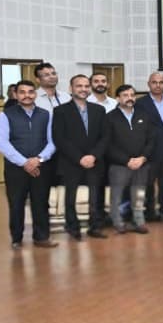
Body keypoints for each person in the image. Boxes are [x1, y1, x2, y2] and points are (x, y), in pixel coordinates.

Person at [0, 79, 57, 248]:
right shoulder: (5, 115)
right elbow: (1, 143)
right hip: (16, 168)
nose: (27, 95)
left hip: (41, 166)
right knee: (16, 203)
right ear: (16, 95)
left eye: (30, 92)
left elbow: (53, 141)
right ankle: (16, 239)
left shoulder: (46, 114)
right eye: (22, 92)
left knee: (41, 202)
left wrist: (39, 159)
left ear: (35, 94)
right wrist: (24, 162)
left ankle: (42, 237)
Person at [52, 74, 108, 240]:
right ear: (71, 88)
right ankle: (72, 227)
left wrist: (93, 156)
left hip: (94, 162)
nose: (83, 89)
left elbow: (105, 137)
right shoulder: (60, 111)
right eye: (79, 86)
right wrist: (79, 158)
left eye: (86, 86)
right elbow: (59, 138)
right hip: (71, 162)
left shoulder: (99, 110)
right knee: (71, 198)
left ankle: (95, 227)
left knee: (95, 197)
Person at [104, 84, 154, 235]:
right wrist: (126, 160)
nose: (129, 98)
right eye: (125, 95)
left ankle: (139, 220)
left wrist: (143, 158)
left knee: (139, 195)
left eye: (132, 95)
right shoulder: (109, 117)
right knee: (117, 196)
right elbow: (107, 144)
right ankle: (117, 221)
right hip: (119, 165)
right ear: (118, 98)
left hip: (141, 165)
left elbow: (151, 140)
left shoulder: (144, 115)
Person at [135, 71, 163, 222]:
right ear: (148, 84)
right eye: (154, 82)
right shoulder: (140, 103)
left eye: (161, 82)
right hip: (149, 152)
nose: (158, 85)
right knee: (148, 184)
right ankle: (150, 211)